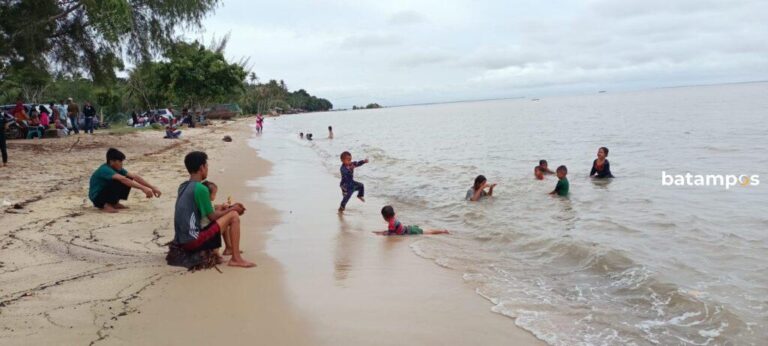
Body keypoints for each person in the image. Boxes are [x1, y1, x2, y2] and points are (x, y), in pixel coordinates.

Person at [173, 151, 255, 268]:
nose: (207, 169)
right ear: (202, 167)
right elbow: (212, 216)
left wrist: (221, 209)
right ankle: (236, 259)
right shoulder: (201, 188)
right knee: (233, 215)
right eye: (207, 166)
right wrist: (234, 209)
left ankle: (229, 248)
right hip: (193, 240)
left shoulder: (183, 186)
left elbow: (199, 210)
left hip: (182, 239)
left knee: (223, 212)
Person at [88, 148, 162, 213]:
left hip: (104, 192)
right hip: (97, 197)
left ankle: (114, 203)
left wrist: (152, 187)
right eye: (119, 162)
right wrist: (143, 188)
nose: (121, 164)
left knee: (128, 178)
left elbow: (135, 177)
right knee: (121, 180)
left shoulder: (117, 169)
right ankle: (105, 205)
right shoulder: (105, 169)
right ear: (111, 161)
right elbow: (123, 179)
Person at [374, 205, 449, 236]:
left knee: (429, 232)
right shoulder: (393, 220)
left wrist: (381, 233)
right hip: (409, 228)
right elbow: (392, 232)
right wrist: (382, 232)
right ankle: (442, 231)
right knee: (428, 231)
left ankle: (443, 231)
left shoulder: (391, 224)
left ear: (385, 217)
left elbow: (391, 234)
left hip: (411, 231)